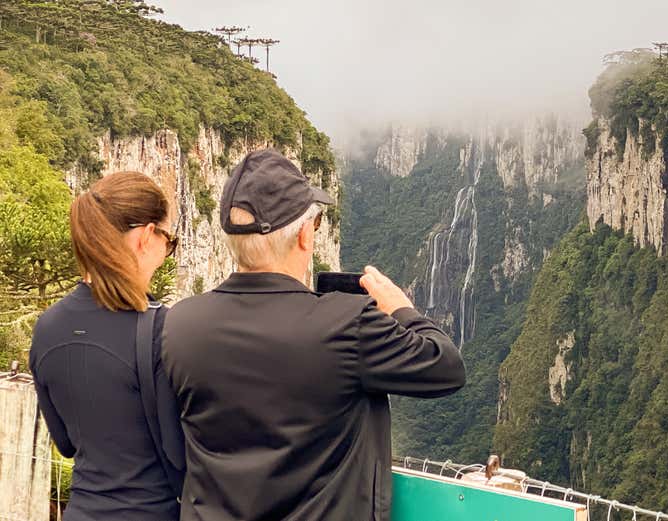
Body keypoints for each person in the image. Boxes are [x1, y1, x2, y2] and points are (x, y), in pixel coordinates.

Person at [163, 149, 466, 521]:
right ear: (305, 235)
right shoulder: (348, 324)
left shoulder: (179, 325)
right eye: (317, 222)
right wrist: (400, 307)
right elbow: (446, 367)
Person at [29, 172, 184, 521]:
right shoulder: (163, 329)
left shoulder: (47, 327)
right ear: (145, 236)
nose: (166, 253)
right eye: (169, 241)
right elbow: (180, 450)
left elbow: (65, 443)